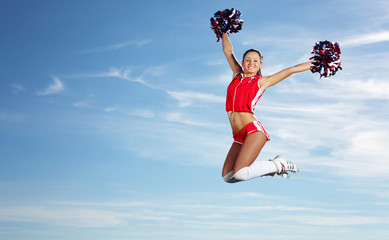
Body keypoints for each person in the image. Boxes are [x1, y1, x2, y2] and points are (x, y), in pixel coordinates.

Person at [221, 33, 313, 183]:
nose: (251, 63)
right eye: (248, 60)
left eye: (255, 60)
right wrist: (224, 31)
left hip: (253, 131)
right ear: (243, 62)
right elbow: (228, 51)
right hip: (238, 135)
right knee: (228, 177)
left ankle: (278, 164)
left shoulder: (261, 82)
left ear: (260, 65)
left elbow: (291, 69)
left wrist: (317, 62)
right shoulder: (237, 74)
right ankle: (271, 169)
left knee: (240, 173)